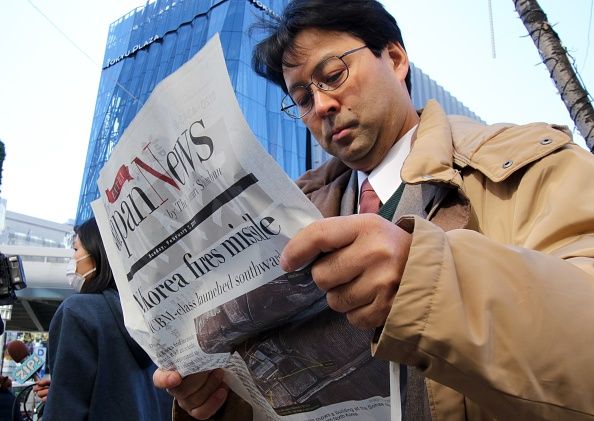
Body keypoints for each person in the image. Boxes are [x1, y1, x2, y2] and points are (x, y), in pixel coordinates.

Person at [154, 0, 594, 420]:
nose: (322, 105)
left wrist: (426, 282)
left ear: (396, 59)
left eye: (333, 74)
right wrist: (218, 400)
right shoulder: (285, 222)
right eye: (303, 99)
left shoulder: (529, 166)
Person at [41, 217, 173, 420]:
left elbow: (65, 411)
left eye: (76, 250)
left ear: (98, 252)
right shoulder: (159, 315)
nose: (73, 260)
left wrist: (59, 396)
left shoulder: (77, 312)